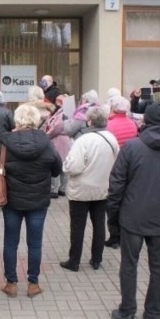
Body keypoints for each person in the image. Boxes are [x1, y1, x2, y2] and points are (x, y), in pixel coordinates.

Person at [108, 102, 160, 319]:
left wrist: (113, 218)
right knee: (159, 268)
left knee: (129, 266)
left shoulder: (132, 147)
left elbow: (116, 185)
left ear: (146, 120)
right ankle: (153, 315)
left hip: (132, 217)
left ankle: (127, 312)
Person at [0, 104, 62, 298]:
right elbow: (57, 169)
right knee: (35, 244)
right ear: (35, 121)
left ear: (16, 121)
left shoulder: (5, 142)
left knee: (11, 242)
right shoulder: (46, 142)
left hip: (12, 201)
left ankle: (11, 283)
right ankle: (33, 284)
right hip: (38, 201)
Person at [59, 107, 119, 272]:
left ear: (90, 121)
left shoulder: (83, 140)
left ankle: (74, 261)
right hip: (102, 188)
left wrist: (65, 166)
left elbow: (74, 166)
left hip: (81, 190)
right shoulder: (111, 139)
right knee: (99, 224)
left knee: (78, 226)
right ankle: (96, 259)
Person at [104, 95, 139, 248]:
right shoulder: (132, 124)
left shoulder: (109, 125)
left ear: (113, 108)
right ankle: (126, 232)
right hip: (130, 167)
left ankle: (114, 235)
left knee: (112, 203)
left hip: (113, 166)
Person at [46, 94, 72, 199]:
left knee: (56, 164)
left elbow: (56, 127)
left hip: (58, 140)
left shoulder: (62, 114)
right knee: (63, 164)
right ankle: (62, 188)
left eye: (58, 101)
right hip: (64, 140)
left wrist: (47, 135)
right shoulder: (65, 112)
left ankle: (54, 189)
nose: (56, 104)